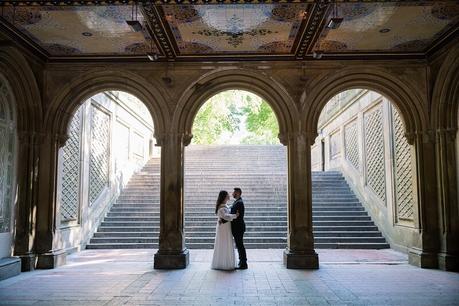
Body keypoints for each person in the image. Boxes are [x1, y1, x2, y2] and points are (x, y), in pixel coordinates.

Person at [211, 190, 239, 270]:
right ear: (224, 197)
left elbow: (227, 213)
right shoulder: (221, 207)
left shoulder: (224, 205)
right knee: (224, 243)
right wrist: (235, 216)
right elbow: (225, 216)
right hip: (223, 227)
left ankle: (227, 262)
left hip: (226, 226)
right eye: (227, 195)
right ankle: (223, 264)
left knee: (227, 242)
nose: (229, 196)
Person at [230, 187, 247, 269]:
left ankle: (243, 263)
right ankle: (242, 262)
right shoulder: (237, 202)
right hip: (238, 227)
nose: (232, 194)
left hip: (238, 228)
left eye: (234, 193)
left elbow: (235, 215)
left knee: (240, 245)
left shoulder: (239, 203)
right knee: (239, 245)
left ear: (238, 193)